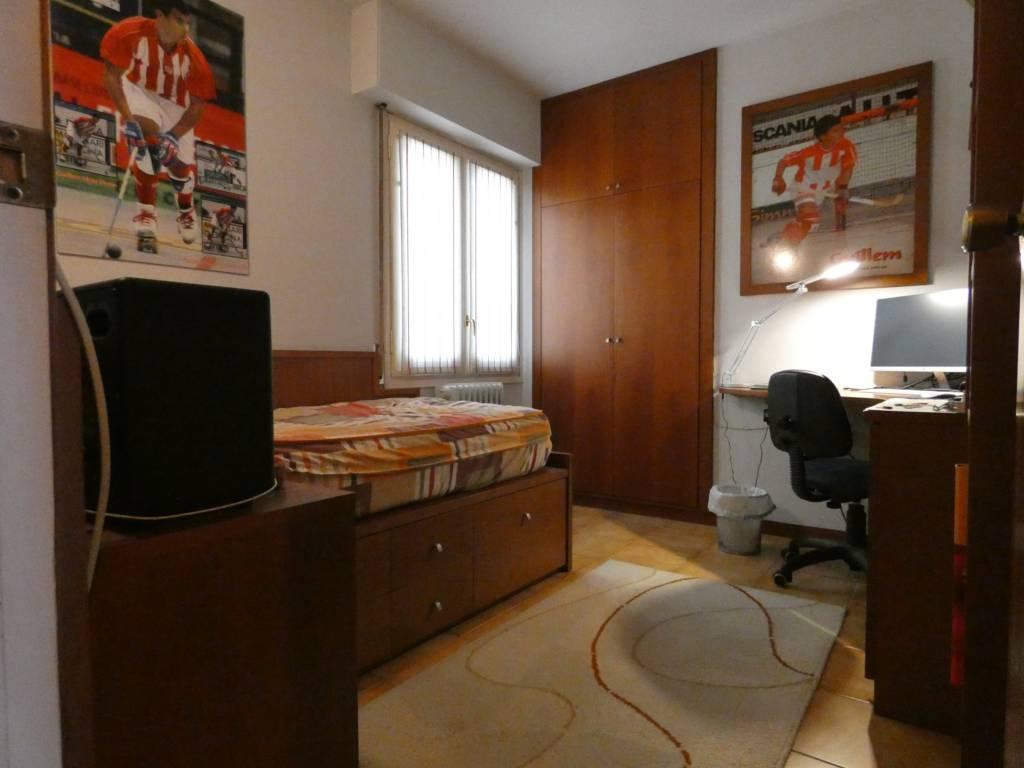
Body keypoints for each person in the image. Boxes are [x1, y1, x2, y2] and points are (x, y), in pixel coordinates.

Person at [100, 0, 216, 254]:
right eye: (178, 21)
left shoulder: (193, 57)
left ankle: (185, 207)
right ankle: (146, 214)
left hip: (178, 105)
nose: (185, 28)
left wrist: (173, 136)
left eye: (187, 23)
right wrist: (129, 119)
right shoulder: (130, 32)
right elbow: (112, 75)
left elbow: (198, 105)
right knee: (147, 139)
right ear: (160, 16)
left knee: (178, 166)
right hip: (141, 91)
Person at [769, 113, 858, 249]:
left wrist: (843, 187)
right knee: (811, 217)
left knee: (810, 225)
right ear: (823, 136)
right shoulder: (808, 153)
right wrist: (778, 178)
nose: (841, 132)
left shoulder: (846, 146)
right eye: (835, 130)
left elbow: (847, 168)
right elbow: (784, 161)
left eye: (841, 129)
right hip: (802, 188)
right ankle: (787, 239)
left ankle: (784, 240)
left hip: (821, 192)